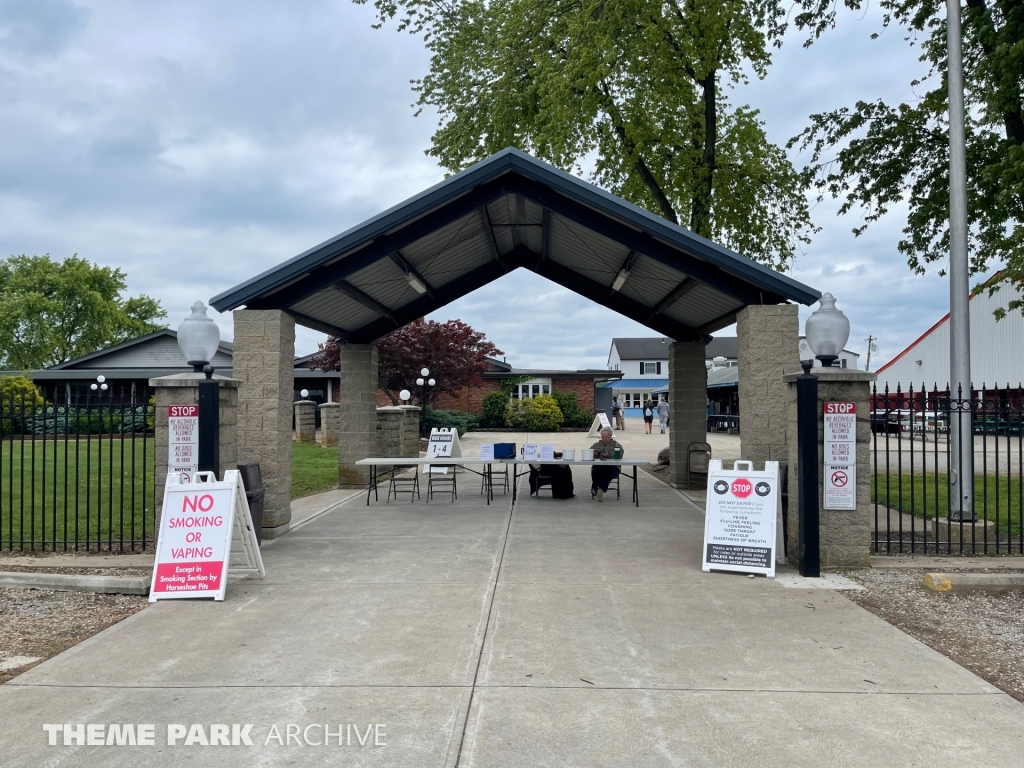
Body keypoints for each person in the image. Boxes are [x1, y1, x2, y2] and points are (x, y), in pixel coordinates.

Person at [589, 428, 624, 501]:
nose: (604, 438)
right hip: (600, 465)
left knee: (608, 472)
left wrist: (609, 454)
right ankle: (595, 488)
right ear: (601, 436)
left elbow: (620, 454)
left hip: (613, 466)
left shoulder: (616, 444)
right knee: (595, 470)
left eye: (606, 437)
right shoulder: (596, 444)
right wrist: (594, 454)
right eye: (603, 436)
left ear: (611, 436)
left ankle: (601, 489)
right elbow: (588, 452)